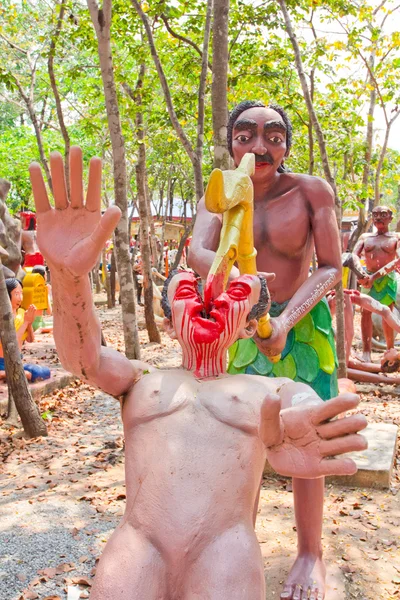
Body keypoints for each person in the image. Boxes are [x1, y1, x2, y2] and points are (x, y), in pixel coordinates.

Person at [29, 147, 367, 600]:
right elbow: (82, 356)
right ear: (170, 320)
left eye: (230, 294)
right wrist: (69, 278)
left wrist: (296, 428)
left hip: (223, 551)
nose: (209, 294)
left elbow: (302, 403)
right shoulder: (141, 380)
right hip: (139, 544)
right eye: (189, 289)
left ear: (250, 324)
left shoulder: (266, 388)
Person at [189, 101, 342, 599]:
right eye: (246, 136)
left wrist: (284, 318)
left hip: (304, 326)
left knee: (308, 434)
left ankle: (310, 553)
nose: (259, 147)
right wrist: (244, 286)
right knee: (246, 437)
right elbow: (197, 251)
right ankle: (238, 543)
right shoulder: (221, 191)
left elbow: (330, 266)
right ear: (231, 142)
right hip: (241, 322)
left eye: (273, 136)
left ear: (287, 144)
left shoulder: (311, 191)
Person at [352, 206, 400, 362]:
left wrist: (375, 276)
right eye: (376, 215)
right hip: (367, 279)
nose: (379, 217)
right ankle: (366, 352)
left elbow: (397, 260)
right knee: (366, 312)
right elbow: (353, 256)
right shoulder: (365, 237)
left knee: (388, 311)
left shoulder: (396, 237)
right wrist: (361, 274)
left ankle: (390, 349)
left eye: (383, 215)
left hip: (387, 279)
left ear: (390, 218)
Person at [0, 278, 50, 382]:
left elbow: (30, 339)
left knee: (43, 372)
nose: (20, 298)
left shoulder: (22, 313)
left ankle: (8, 374)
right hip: (2, 361)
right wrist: (26, 322)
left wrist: (29, 323)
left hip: (17, 361)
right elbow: (13, 346)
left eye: (21, 293)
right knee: (29, 374)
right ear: (7, 295)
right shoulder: (3, 317)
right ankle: (5, 374)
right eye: (16, 294)